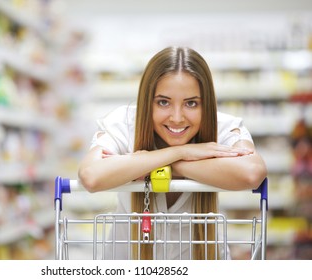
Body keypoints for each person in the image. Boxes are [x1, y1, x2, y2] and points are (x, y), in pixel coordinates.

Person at [78, 46, 267, 260]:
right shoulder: (124, 123)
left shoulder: (223, 126)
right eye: (163, 102)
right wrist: (182, 151)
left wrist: (165, 164)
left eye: (191, 103)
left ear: (206, 105)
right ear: (147, 101)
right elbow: (91, 176)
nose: (177, 117)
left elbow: (251, 172)